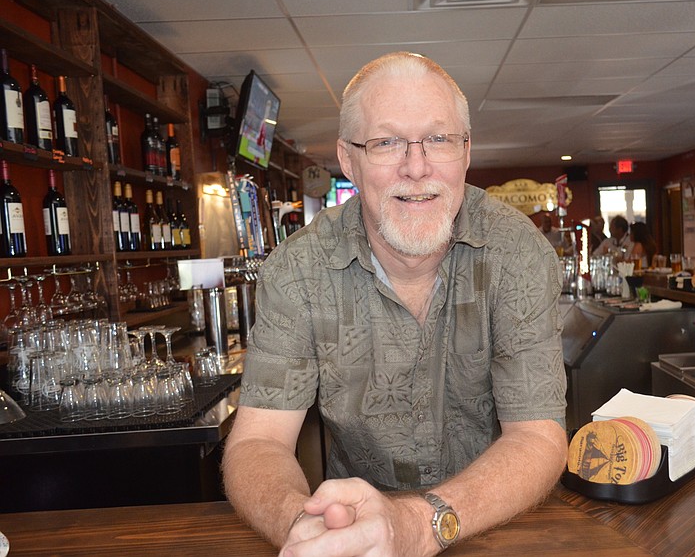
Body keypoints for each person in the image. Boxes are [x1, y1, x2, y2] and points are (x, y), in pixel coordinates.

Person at [222, 52, 568, 556]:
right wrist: (302, 525)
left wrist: (416, 526)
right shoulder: (297, 270)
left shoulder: (517, 252)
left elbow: (538, 438)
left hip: (492, 525)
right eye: (386, 143)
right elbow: (259, 442)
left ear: (466, 151)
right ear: (348, 159)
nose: (417, 167)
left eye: (439, 139)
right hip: (354, 535)